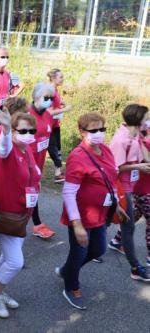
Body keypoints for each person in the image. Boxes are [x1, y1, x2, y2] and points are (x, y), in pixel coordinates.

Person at [56, 112, 128, 309]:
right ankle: (71, 285)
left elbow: (111, 179)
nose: (99, 133)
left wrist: (117, 204)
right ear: (82, 132)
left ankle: (66, 270)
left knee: (99, 249)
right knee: (79, 253)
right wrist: (77, 224)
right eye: (93, 130)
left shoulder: (106, 150)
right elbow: (69, 193)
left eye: (102, 129)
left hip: (102, 213)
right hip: (81, 216)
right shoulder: (77, 156)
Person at [0, 111, 41, 319]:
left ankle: (0, 287)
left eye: (31, 130)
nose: (28, 134)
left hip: (22, 215)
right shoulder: (7, 151)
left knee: (8, 256)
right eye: (23, 131)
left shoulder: (27, 150)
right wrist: (7, 130)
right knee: (16, 262)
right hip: (7, 215)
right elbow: (2, 147)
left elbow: (33, 176)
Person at [107, 104, 150, 282]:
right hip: (121, 190)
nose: (148, 121)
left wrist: (142, 138)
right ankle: (135, 267)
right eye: (146, 118)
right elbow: (115, 168)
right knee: (126, 227)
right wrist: (137, 166)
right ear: (138, 119)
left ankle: (133, 264)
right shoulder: (120, 139)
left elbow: (146, 159)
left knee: (127, 227)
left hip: (130, 190)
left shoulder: (135, 136)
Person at [28, 82, 72, 239]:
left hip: (38, 165)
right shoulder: (25, 114)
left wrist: (56, 160)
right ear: (35, 96)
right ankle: (38, 225)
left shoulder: (48, 115)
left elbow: (49, 140)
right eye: (46, 97)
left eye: (51, 98)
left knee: (27, 196)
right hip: (24, 165)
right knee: (27, 195)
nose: (50, 100)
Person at [47, 68, 73, 183]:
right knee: (52, 148)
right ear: (53, 78)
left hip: (55, 124)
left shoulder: (55, 90)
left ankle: (58, 173)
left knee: (57, 148)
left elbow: (55, 102)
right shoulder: (49, 91)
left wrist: (62, 103)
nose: (63, 79)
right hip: (47, 125)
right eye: (60, 77)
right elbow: (49, 111)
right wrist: (65, 109)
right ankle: (57, 174)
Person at [133, 114, 149, 267]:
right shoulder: (145, 143)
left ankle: (117, 240)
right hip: (144, 190)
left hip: (141, 189)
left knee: (134, 215)